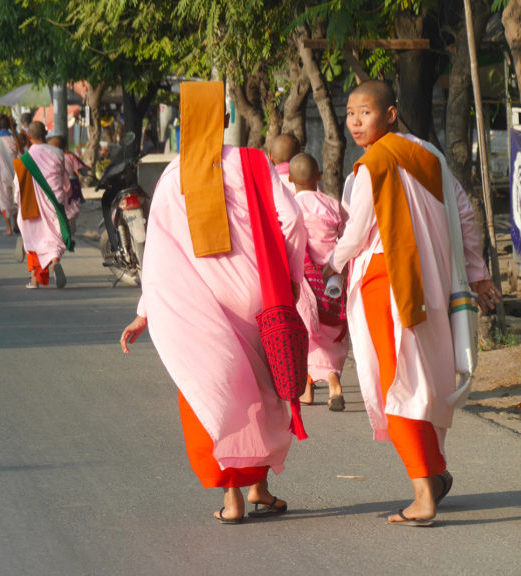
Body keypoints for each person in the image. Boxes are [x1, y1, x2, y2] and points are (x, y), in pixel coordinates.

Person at [119, 81, 305, 524]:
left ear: (185, 125)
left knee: (211, 393)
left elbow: (158, 255)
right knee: (261, 392)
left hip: (199, 303)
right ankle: (260, 486)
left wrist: (146, 310)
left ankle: (233, 501)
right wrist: (288, 280)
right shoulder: (253, 161)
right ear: (223, 121)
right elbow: (293, 219)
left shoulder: (171, 177)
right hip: (256, 294)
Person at [324, 80, 499, 526]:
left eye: (365, 112)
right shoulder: (430, 156)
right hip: (432, 285)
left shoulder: (374, 163)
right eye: (350, 114)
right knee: (420, 380)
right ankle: (435, 474)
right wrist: (476, 275)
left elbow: (358, 228)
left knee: (396, 386)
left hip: (388, 284)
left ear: (391, 114)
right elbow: (463, 214)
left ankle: (423, 494)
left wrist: (331, 264)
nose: (356, 122)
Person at [288, 153, 348, 411]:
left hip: (305, 281)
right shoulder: (333, 205)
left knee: (307, 334)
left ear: (290, 180)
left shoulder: (291, 207)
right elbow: (346, 237)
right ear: (320, 176)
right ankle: (333, 381)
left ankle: (308, 388)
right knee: (331, 337)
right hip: (333, 281)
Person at [13, 121, 72, 289]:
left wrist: (17, 202)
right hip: (54, 201)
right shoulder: (58, 153)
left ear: (29, 137)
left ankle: (35, 281)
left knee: (34, 237)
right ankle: (54, 260)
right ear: (46, 133)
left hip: (32, 203)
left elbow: (18, 186)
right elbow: (62, 176)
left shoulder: (24, 160)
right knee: (53, 236)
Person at [0, 114, 21, 236]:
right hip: (15, 174)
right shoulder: (15, 139)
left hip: (0, 176)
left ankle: (8, 228)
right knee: (16, 200)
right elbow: (21, 155)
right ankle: (17, 224)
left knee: (5, 201)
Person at [47, 129, 87, 228]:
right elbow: (80, 167)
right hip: (70, 183)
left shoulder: (50, 157)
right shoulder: (70, 155)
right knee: (71, 206)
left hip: (56, 184)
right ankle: (66, 226)